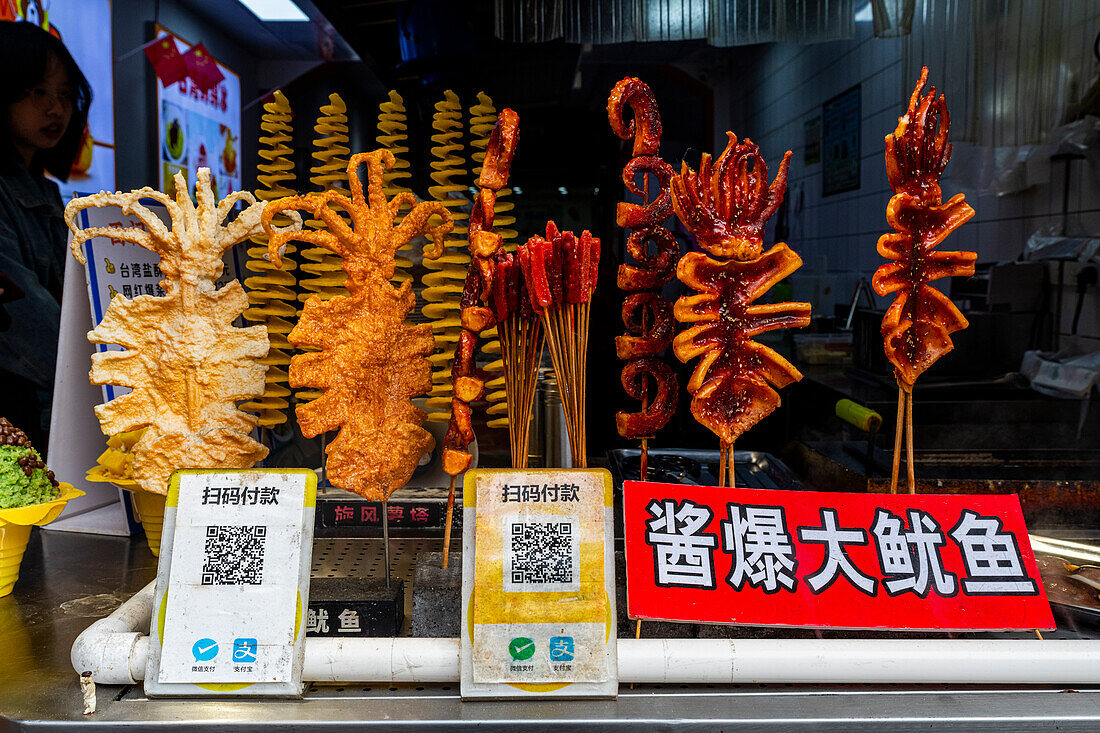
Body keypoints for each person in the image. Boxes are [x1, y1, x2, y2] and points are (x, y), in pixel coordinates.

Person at [0, 21, 91, 449]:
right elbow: (25, 316)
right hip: (18, 420)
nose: (56, 109)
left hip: (51, 416)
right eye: (38, 92)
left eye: (65, 94)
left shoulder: (48, 192)